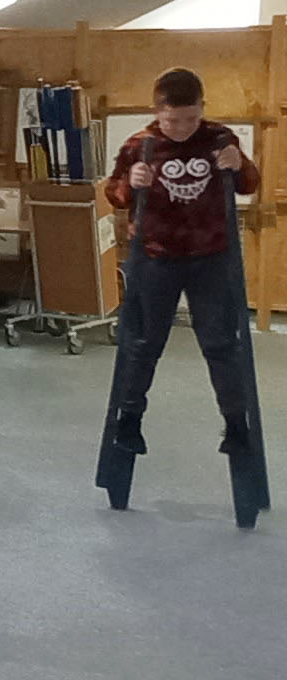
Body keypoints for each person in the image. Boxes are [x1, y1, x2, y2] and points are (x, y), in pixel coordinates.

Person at [104, 68, 260, 455]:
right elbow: (115, 195)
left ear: (202, 108)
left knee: (221, 343)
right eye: (172, 120)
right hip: (156, 258)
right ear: (157, 112)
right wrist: (130, 183)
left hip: (211, 258)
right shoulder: (140, 145)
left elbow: (249, 184)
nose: (182, 129)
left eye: (191, 118)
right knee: (143, 342)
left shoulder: (219, 138)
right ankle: (129, 421)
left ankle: (235, 424)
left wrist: (239, 164)